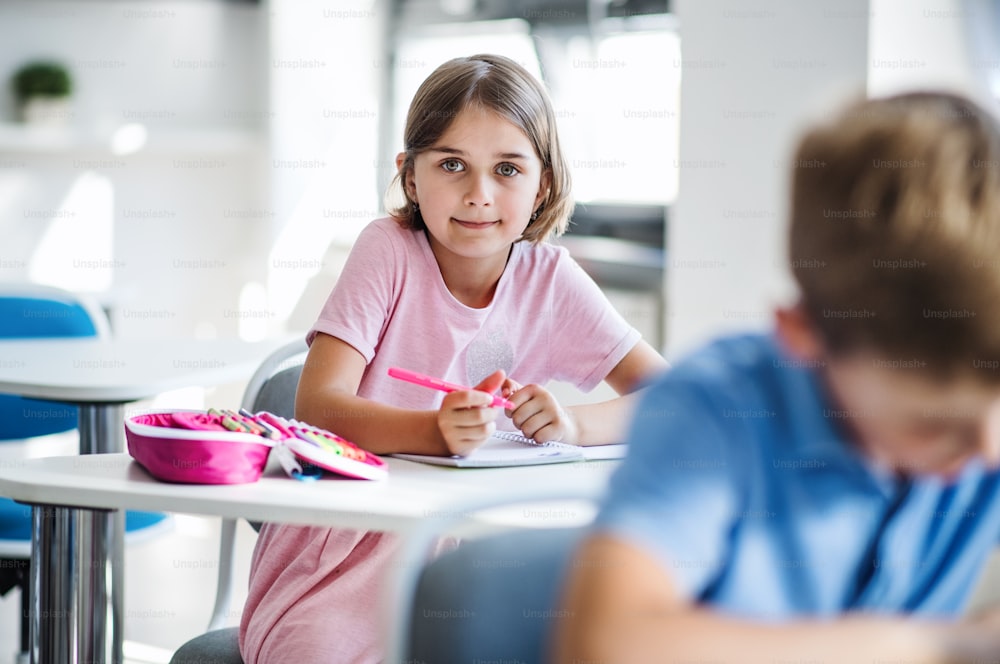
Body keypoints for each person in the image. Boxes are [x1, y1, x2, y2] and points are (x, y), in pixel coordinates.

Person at [239, 53, 667, 663]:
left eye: (508, 169)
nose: (479, 194)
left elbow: (672, 400)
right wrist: (433, 432)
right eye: (451, 165)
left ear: (542, 182)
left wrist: (573, 425)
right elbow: (319, 408)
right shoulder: (386, 250)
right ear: (411, 177)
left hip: (477, 550)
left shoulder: (551, 279)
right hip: (344, 559)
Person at [555, 90, 1000, 664]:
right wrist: (938, 646)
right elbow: (607, 647)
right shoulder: (716, 407)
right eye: (934, 422)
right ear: (804, 336)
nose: (991, 449)